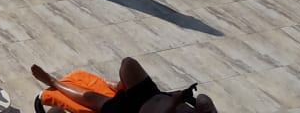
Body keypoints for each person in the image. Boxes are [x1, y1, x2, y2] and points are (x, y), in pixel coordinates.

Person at [31, 58, 217, 113]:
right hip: (151, 96)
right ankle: (120, 87)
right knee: (128, 64)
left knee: (91, 98)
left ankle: (52, 81)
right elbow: (203, 99)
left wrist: (175, 100)